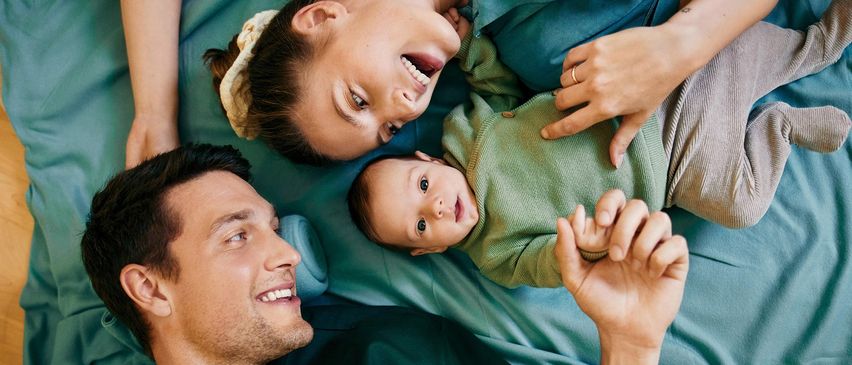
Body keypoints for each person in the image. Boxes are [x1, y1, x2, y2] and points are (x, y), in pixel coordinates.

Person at [345, 1, 851, 288]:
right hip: (670, 173)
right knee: (740, 204)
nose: (435, 206)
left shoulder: (468, 130)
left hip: (647, 102)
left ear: (426, 158)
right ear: (423, 250)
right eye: (420, 224)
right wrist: (587, 245)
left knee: (791, 53)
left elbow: (494, 82)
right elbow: (556, 260)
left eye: (423, 184)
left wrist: (465, 46)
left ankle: (828, 36)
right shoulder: (498, 257)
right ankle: (779, 127)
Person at [81, 143, 689, 364]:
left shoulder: (387, 349)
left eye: (273, 228)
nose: (288, 255)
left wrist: (630, 344)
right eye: (236, 235)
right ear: (151, 287)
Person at [122, 0, 783, 167]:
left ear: (324, 15)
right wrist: (681, 46)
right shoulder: (548, 58)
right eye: (386, 129)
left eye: (356, 97)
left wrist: (153, 114)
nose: (405, 109)